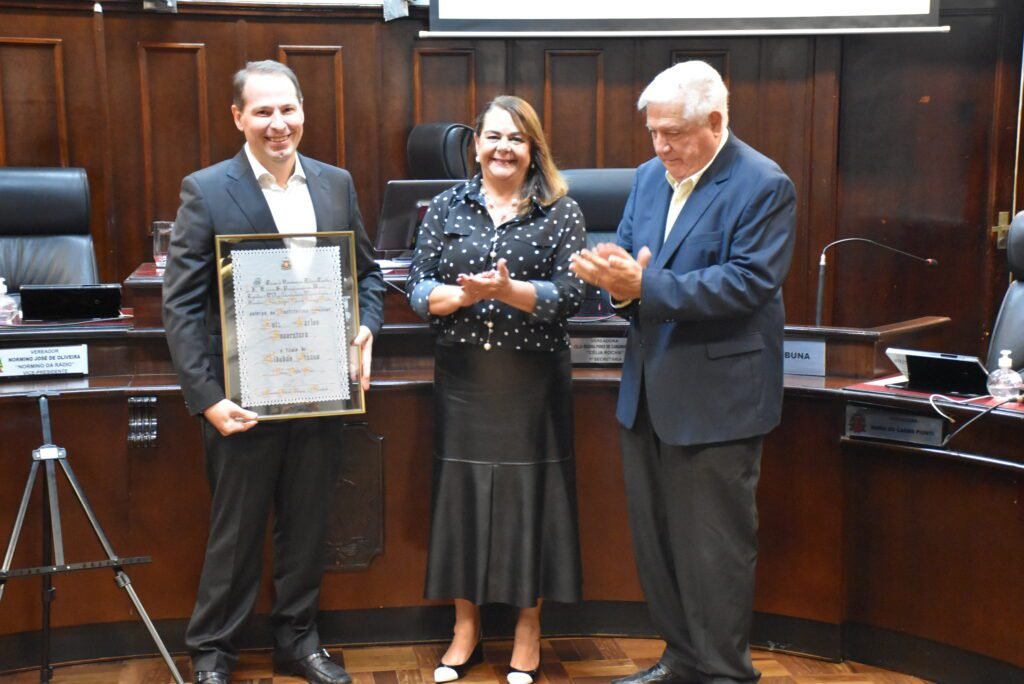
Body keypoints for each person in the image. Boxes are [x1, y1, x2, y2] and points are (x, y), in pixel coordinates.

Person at [570, 61, 796, 683]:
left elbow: (748, 283)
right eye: (653, 133)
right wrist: (615, 283)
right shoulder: (647, 178)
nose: (660, 146)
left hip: (718, 401)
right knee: (659, 543)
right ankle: (682, 659)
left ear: (716, 121)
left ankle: (726, 672)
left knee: (715, 552)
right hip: (647, 394)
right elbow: (631, 265)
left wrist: (646, 284)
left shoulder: (762, 184)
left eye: (672, 133)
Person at [162, 60, 385, 684]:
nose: (278, 123)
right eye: (262, 111)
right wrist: (206, 399)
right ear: (238, 118)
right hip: (242, 398)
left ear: (303, 113)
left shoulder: (335, 183)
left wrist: (368, 326)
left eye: (287, 109)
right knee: (234, 535)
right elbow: (179, 304)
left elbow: (366, 275)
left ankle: (298, 640)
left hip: (320, 388)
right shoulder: (206, 190)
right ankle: (212, 653)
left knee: (307, 525)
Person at [405, 95, 586, 684]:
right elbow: (416, 286)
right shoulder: (445, 206)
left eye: (517, 139)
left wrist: (511, 293)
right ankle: (466, 627)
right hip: (463, 380)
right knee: (461, 498)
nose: (503, 148)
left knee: (526, 500)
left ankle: (528, 631)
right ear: (475, 145)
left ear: (533, 149)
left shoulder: (560, 211)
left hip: (531, 382)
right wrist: (462, 295)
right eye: (493, 137)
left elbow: (572, 295)